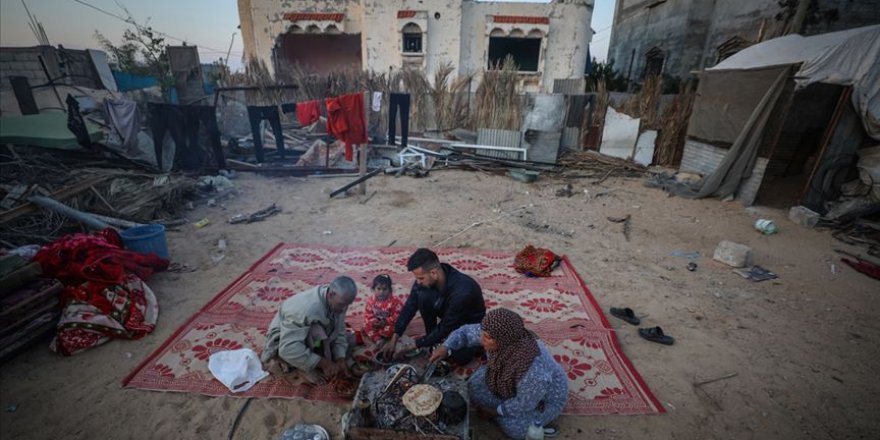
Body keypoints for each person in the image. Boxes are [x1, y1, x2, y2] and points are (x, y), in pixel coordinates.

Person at [429, 308, 568, 439]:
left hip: (544, 399)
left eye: (487, 337)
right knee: (472, 387)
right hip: (510, 382)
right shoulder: (498, 333)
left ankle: (538, 429)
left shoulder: (533, 371)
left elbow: (525, 403)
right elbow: (465, 332)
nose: (481, 339)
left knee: (515, 429)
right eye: (483, 333)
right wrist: (446, 347)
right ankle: (503, 405)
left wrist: (494, 412)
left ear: (503, 341)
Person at [382, 248, 486, 364]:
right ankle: (431, 337)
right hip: (448, 313)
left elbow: (446, 325)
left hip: (467, 323)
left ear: (434, 273)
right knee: (422, 295)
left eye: (421, 278)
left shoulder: (462, 291)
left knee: (459, 357)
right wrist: (395, 337)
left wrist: (416, 344)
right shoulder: (427, 279)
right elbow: (410, 305)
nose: (418, 282)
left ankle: (436, 340)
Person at [261, 276, 357, 384]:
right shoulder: (306, 310)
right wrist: (324, 363)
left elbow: (339, 330)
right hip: (285, 340)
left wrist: (340, 358)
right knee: (316, 332)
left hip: (316, 337)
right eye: (342, 304)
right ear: (331, 295)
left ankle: (314, 357)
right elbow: (287, 349)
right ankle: (301, 368)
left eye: (348, 304)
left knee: (350, 340)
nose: (344, 308)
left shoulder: (340, 301)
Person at [362, 274, 403, 345]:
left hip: (389, 323)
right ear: (373, 289)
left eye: (384, 289)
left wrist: (386, 321)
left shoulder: (395, 302)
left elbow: (398, 316)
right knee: (365, 326)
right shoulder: (371, 301)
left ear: (390, 290)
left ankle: (384, 338)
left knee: (395, 328)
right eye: (378, 289)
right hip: (377, 323)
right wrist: (374, 322)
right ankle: (377, 339)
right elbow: (368, 314)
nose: (381, 292)